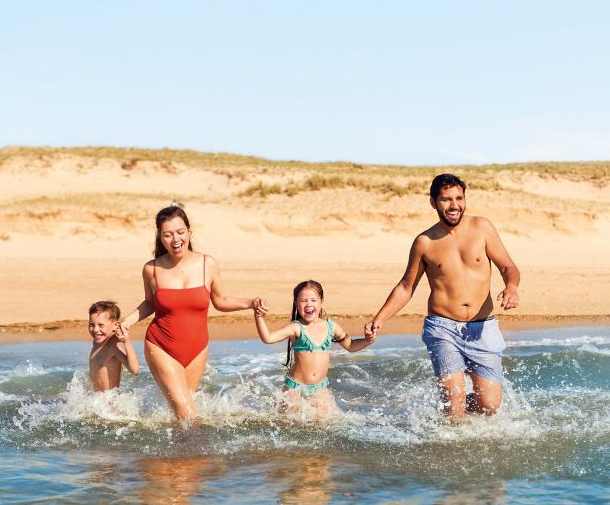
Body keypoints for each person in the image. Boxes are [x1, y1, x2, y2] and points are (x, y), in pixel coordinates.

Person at [364, 174, 521, 419]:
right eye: (446, 200)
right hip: (442, 327)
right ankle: (451, 433)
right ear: (433, 202)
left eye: (459, 198)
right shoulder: (424, 242)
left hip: (483, 328)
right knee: (453, 401)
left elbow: (508, 267)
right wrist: (380, 318)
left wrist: (511, 287)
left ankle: (444, 411)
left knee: (489, 405)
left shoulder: (482, 228)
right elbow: (406, 286)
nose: (454, 205)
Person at [118, 205, 264, 421]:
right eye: (168, 234)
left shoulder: (207, 264)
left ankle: (177, 455)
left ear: (189, 232)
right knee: (186, 413)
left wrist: (250, 302)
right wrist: (128, 321)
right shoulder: (152, 269)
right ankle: (195, 453)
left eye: (180, 232)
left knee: (183, 411)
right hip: (161, 345)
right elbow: (150, 303)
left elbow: (220, 301)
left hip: (198, 349)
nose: (175, 239)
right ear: (160, 237)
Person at [253, 279, 374, 418]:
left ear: (321, 301)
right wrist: (258, 316)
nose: (308, 304)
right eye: (303, 300)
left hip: (319, 388)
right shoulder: (296, 328)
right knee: (287, 422)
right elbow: (268, 338)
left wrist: (367, 340)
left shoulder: (331, 327)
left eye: (313, 300)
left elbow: (351, 346)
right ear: (296, 303)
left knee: (329, 422)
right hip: (295, 388)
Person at [86, 300, 139, 392]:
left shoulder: (115, 345)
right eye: (91, 325)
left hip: (109, 403)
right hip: (96, 401)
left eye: (101, 325)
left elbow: (134, 370)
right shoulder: (97, 342)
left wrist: (127, 342)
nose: (95, 330)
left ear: (115, 325)